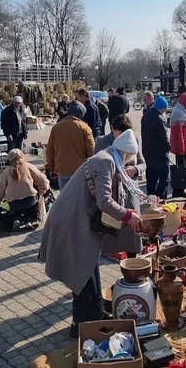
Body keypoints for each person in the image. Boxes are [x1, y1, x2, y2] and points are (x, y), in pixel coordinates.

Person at [39, 130, 144, 338]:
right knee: (82, 273)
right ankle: (80, 325)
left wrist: (128, 211)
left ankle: (96, 313)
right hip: (71, 219)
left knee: (90, 266)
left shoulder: (108, 158)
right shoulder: (105, 162)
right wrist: (127, 215)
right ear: (127, 154)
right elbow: (104, 201)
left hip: (79, 218)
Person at [95, 117, 146, 258]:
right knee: (112, 224)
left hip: (130, 190)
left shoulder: (134, 140)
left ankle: (132, 259)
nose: (124, 136)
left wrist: (135, 169)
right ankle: (108, 253)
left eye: (126, 132)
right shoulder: (102, 142)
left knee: (132, 225)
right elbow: (97, 167)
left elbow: (143, 163)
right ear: (112, 129)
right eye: (120, 133)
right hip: (111, 191)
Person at [0, 148, 49, 228]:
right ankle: (29, 220)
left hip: (14, 202)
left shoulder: (6, 172)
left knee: (16, 211)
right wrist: (43, 189)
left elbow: (0, 190)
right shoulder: (29, 166)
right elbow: (42, 180)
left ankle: (17, 219)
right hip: (30, 199)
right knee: (31, 207)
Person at [46, 101, 95, 189]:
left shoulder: (56, 127)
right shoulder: (84, 128)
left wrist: (51, 167)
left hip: (62, 169)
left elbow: (50, 149)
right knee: (80, 195)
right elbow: (91, 149)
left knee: (64, 195)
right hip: (80, 170)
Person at [141, 95, 171, 199]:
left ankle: (151, 198)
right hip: (159, 153)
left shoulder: (145, 116)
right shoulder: (159, 119)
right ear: (161, 107)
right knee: (165, 175)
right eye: (165, 108)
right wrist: (168, 147)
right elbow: (163, 137)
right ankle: (160, 197)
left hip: (147, 152)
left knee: (151, 177)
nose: (165, 110)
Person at [170, 93, 186, 197]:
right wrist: (181, 149)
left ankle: (179, 190)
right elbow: (178, 134)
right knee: (182, 169)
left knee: (184, 168)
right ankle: (179, 190)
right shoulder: (178, 113)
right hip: (182, 147)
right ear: (185, 104)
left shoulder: (185, 112)